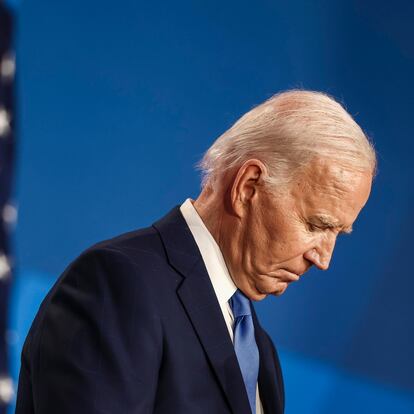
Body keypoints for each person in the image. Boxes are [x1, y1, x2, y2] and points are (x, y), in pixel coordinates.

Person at [15, 90, 376, 414]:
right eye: (316, 225)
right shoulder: (118, 285)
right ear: (248, 187)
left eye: (337, 234)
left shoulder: (258, 348)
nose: (323, 258)